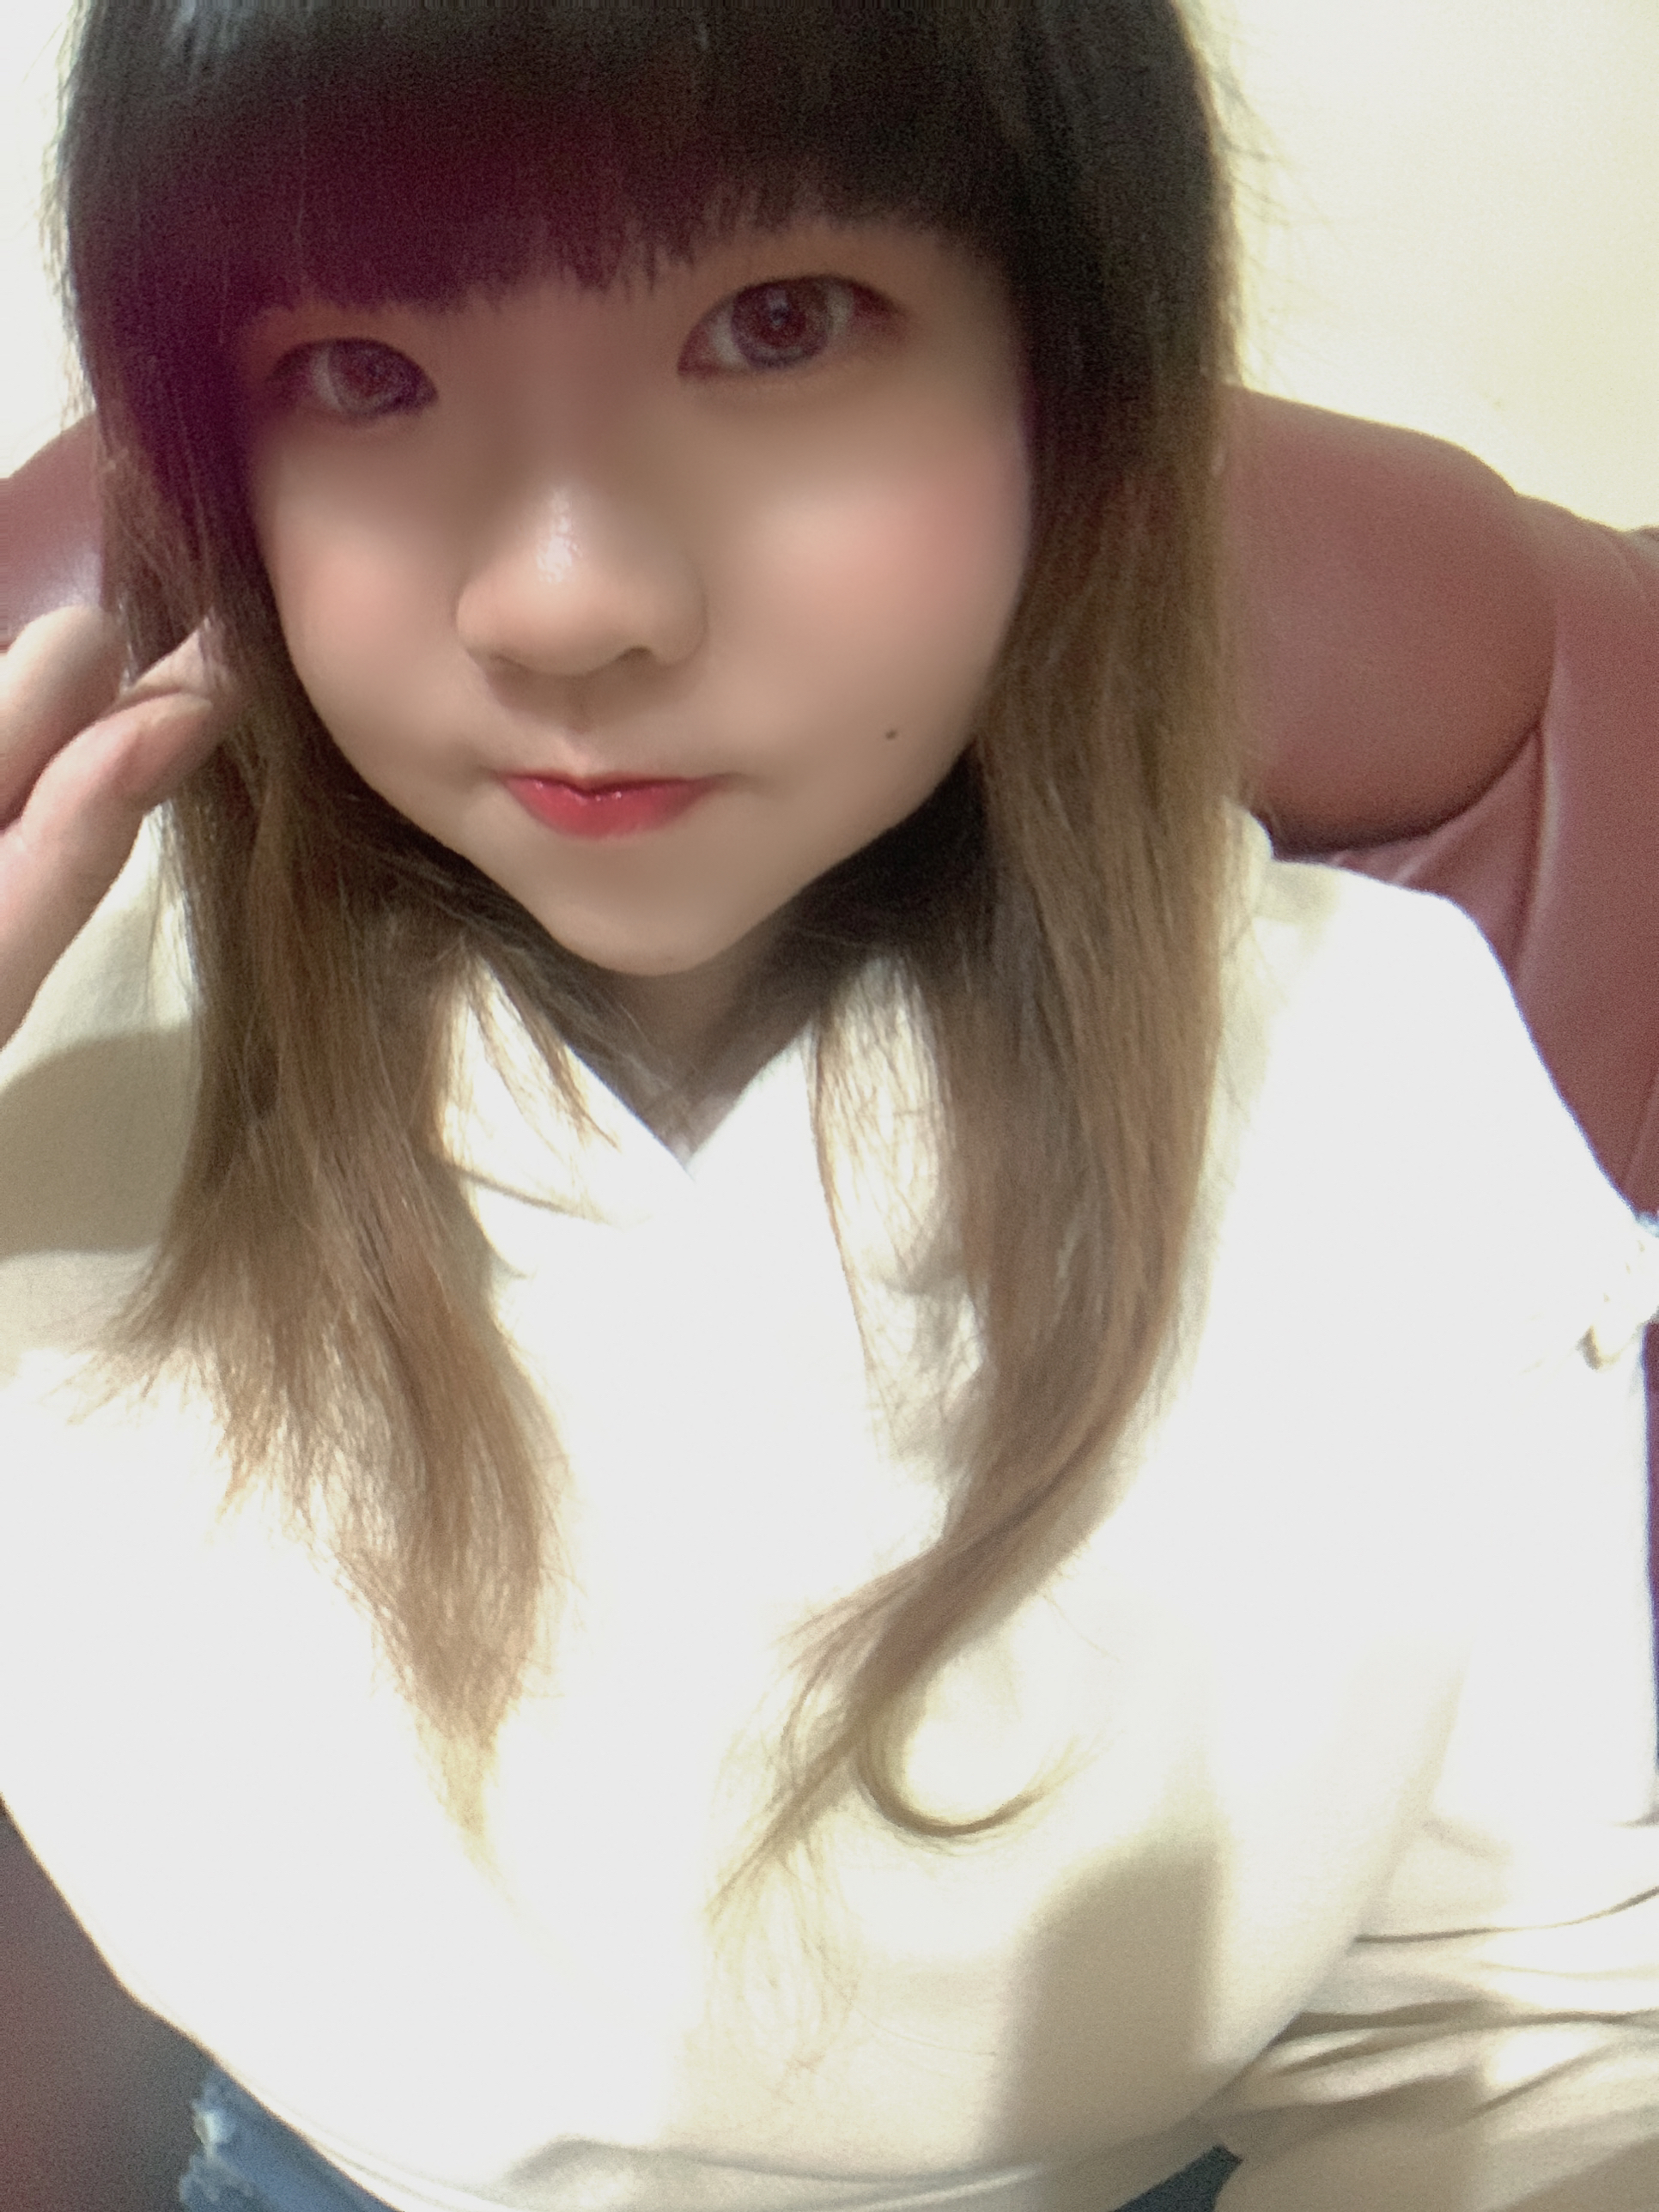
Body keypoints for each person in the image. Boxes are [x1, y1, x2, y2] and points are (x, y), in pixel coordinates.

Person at [2, 2, 1656, 2208]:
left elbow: (1512, 2050)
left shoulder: (1382, 1074)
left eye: (780, 323)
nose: (563, 599)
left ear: (1067, 375)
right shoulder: (72, 1029)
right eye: (364, 372)